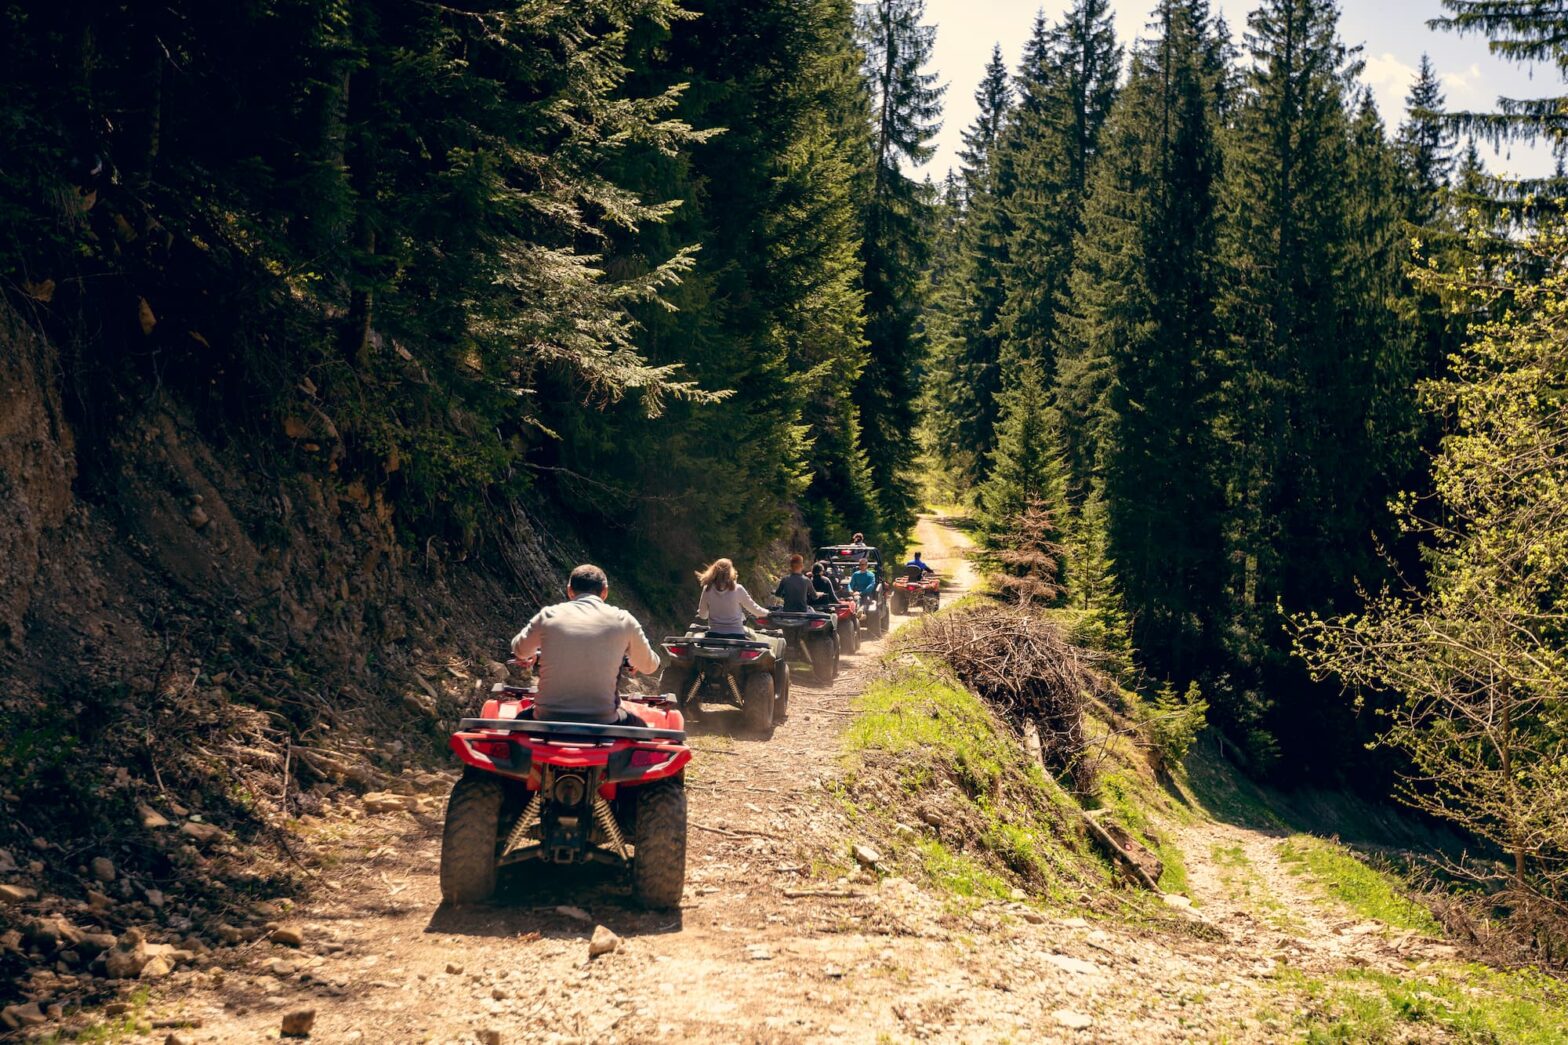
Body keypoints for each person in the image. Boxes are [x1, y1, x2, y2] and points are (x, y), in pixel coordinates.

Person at [510, 564, 660, 725]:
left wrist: (530, 652)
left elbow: (519, 649)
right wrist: (636, 658)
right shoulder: (624, 620)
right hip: (603, 721)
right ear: (605, 591)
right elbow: (649, 666)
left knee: (516, 727)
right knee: (642, 728)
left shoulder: (548, 615)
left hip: (546, 717)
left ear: (569, 590)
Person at [695, 558, 768, 639]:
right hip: (736, 635)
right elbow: (755, 609)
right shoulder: (738, 589)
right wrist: (768, 613)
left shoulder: (707, 589)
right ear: (730, 571)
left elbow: (703, 615)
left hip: (714, 634)